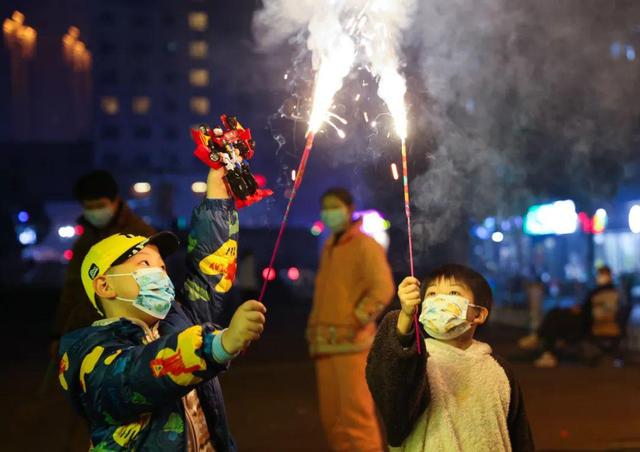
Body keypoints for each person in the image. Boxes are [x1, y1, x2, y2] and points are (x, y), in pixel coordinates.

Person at [57, 166, 266, 450]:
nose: (160, 274)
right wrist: (218, 345)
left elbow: (208, 275)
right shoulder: (89, 357)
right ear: (105, 286)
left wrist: (217, 195)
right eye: (144, 264)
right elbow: (137, 376)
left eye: (162, 267)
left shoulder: (178, 321)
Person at [366, 264, 534, 451]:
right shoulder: (418, 361)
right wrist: (404, 319)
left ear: (478, 314)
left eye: (453, 293)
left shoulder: (499, 370)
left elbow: (519, 435)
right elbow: (392, 385)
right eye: (432, 294)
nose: (440, 300)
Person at [306, 187, 395, 451]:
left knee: (356, 416)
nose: (329, 212)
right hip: (325, 345)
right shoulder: (330, 245)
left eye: (334, 206)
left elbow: (383, 288)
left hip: (352, 346)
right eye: (325, 206)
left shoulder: (365, 245)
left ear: (349, 208)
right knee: (333, 418)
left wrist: (357, 318)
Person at [51, 170, 155, 352]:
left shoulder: (140, 234)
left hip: (132, 334)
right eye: (89, 207)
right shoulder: (84, 242)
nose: (95, 212)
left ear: (115, 200)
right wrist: (60, 334)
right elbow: (72, 289)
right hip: (87, 331)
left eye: (100, 205)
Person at [520, 266, 620, 368]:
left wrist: (583, 311)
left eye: (602, 274)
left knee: (555, 318)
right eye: (599, 274)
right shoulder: (600, 290)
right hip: (584, 317)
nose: (600, 277)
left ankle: (542, 342)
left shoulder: (609, 291)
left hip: (587, 322)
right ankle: (544, 347)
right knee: (555, 314)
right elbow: (590, 307)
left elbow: (599, 312)